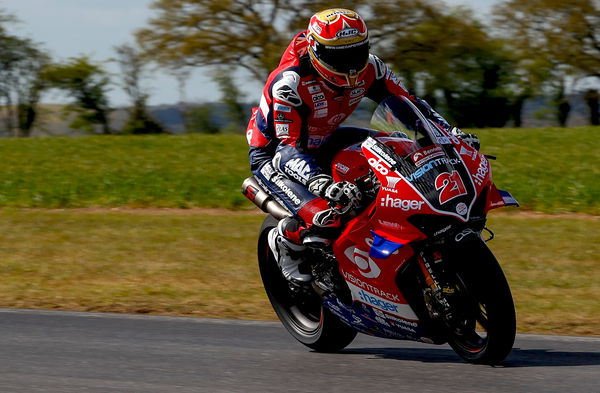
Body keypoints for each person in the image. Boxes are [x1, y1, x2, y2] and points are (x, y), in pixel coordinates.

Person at [246, 8, 476, 283]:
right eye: (338, 56)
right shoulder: (289, 83)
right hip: (276, 156)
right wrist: (322, 183)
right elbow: (287, 149)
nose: (351, 65)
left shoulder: (373, 68)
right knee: (327, 216)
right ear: (316, 50)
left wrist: (448, 135)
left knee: (403, 151)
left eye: (357, 52)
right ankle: (287, 239)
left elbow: (409, 106)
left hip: (329, 137)